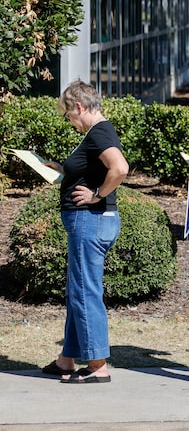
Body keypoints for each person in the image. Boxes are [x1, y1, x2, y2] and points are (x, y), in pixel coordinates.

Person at [41, 80, 130, 384]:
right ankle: (67, 359)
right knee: (78, 290)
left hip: (89, 220)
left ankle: (97, 365)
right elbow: (94, 168)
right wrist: (63, 170)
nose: (70, 121)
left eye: (69, 115)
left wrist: (96, 194)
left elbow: (119, 168)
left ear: (79, 107)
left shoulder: (100, 132)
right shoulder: (96, 134)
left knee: (84, 292)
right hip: (91, 221)